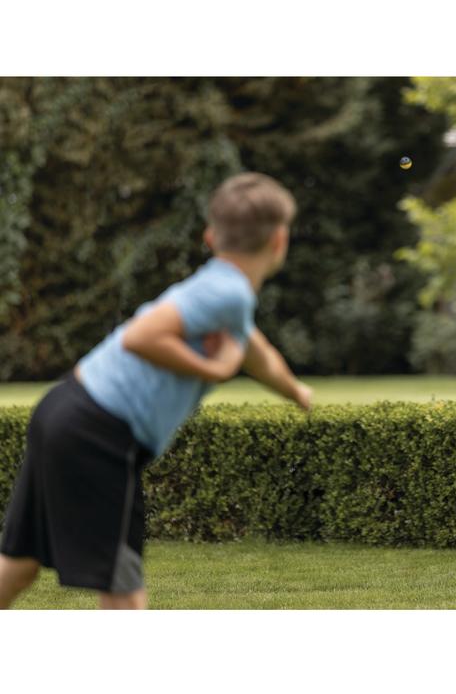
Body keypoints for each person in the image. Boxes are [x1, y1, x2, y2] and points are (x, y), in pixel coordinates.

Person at [0, 172, 312, 609]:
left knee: (19, 565)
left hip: (65, 408)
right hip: (98, 432)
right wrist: (214, 369)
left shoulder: (219, 289)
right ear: (280, 239)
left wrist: (296, 392)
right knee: (124, 591)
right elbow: (141, 337)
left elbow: (257, 354)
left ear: (210, 236)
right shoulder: (229, 294)